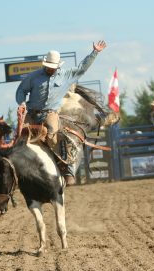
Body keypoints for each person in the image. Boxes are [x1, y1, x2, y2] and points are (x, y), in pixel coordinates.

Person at [15, 40, 107, 186]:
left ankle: (64, 168)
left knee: (53, 135)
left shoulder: (66, 75)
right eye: (48, 67)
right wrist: (21, 103)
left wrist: (94, 52)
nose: (50, 69)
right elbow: (21, 90)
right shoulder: (33, 77)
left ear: (57, 66)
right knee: (20, 136)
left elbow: (82, 67)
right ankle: (15, 172)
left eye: (52, 67)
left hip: (50, 113)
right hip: (31, 112)